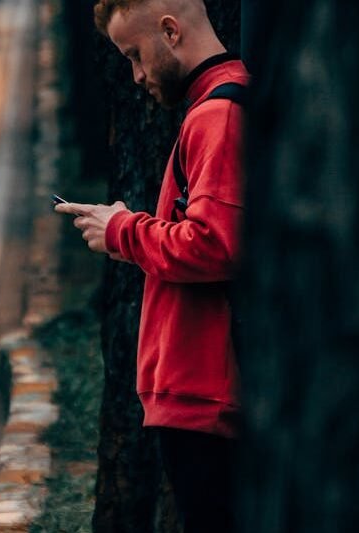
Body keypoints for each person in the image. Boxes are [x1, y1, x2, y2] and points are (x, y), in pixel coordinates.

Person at [55, 1, 248, 531]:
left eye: (136, 56)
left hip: (205, 399)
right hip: (199, 395)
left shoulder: (218, 116)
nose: (136, 75)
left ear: (170, 30)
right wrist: (124, 228)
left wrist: (122, 231)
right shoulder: (212, 107)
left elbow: (215, 244)